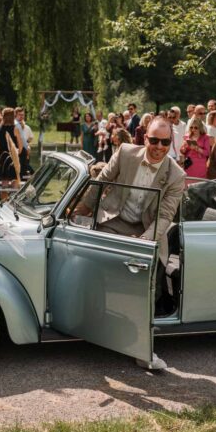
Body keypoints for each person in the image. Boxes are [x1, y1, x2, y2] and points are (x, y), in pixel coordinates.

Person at [73, 117, 186, 315]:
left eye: (165, 142)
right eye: (154, 140)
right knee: (96, 261)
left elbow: (165, 216)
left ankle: (142, 315)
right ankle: (95, 309)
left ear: (171, 142)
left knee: (149, 271)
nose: (159, 146)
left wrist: (142, 242)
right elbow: (99, 183)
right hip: (114, 220)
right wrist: (78, 212)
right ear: (145, 139)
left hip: (148, 229)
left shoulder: (177, 176)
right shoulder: (124, 153)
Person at [0, 107, 24, 199]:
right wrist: (17, 154)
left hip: (2, 157)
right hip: (12, 157)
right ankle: (13, 202)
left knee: (4, 183)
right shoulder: (15, 128)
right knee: (14, 182)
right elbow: (20, 146)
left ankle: (3, 202)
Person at [14, 107, 34, 177]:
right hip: (17, 150)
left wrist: (27, 144)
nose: (21, 116)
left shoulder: (26, 127)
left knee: (24, 169)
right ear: (15, 115)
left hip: (24, 150)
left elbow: (31, 137)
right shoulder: (15, 125)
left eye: (23, 115)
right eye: (20, 114)